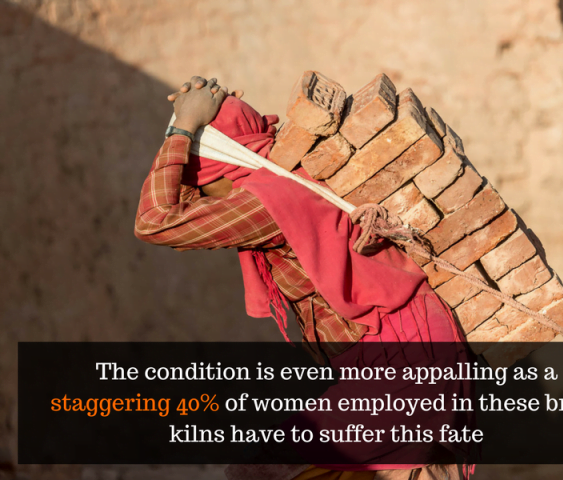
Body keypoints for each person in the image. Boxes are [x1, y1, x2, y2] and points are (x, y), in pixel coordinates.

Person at [134, 76, 476, 480]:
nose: (196, 192)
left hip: (401, 361)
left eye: (197, 178)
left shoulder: (266, 202)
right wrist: (187, 126)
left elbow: (155, 222)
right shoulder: (281, 173)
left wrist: (181, 128)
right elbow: (184, 207)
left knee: (264, 473)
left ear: (217, 169)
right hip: (409, 348)